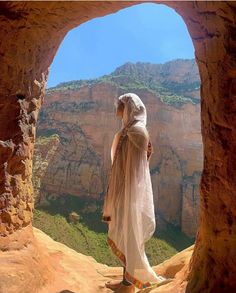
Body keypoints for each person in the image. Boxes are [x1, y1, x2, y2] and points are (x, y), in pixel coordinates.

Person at [102, 93, 166, 292]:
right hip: (122, 190)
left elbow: (139, 167)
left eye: (120, 104)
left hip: (131, 193)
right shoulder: (127, 131)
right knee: (124, 231)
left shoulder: (137, 132)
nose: (117, 107)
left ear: (128, 107)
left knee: (130, 234)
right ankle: (126, 282)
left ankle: (128, 284)